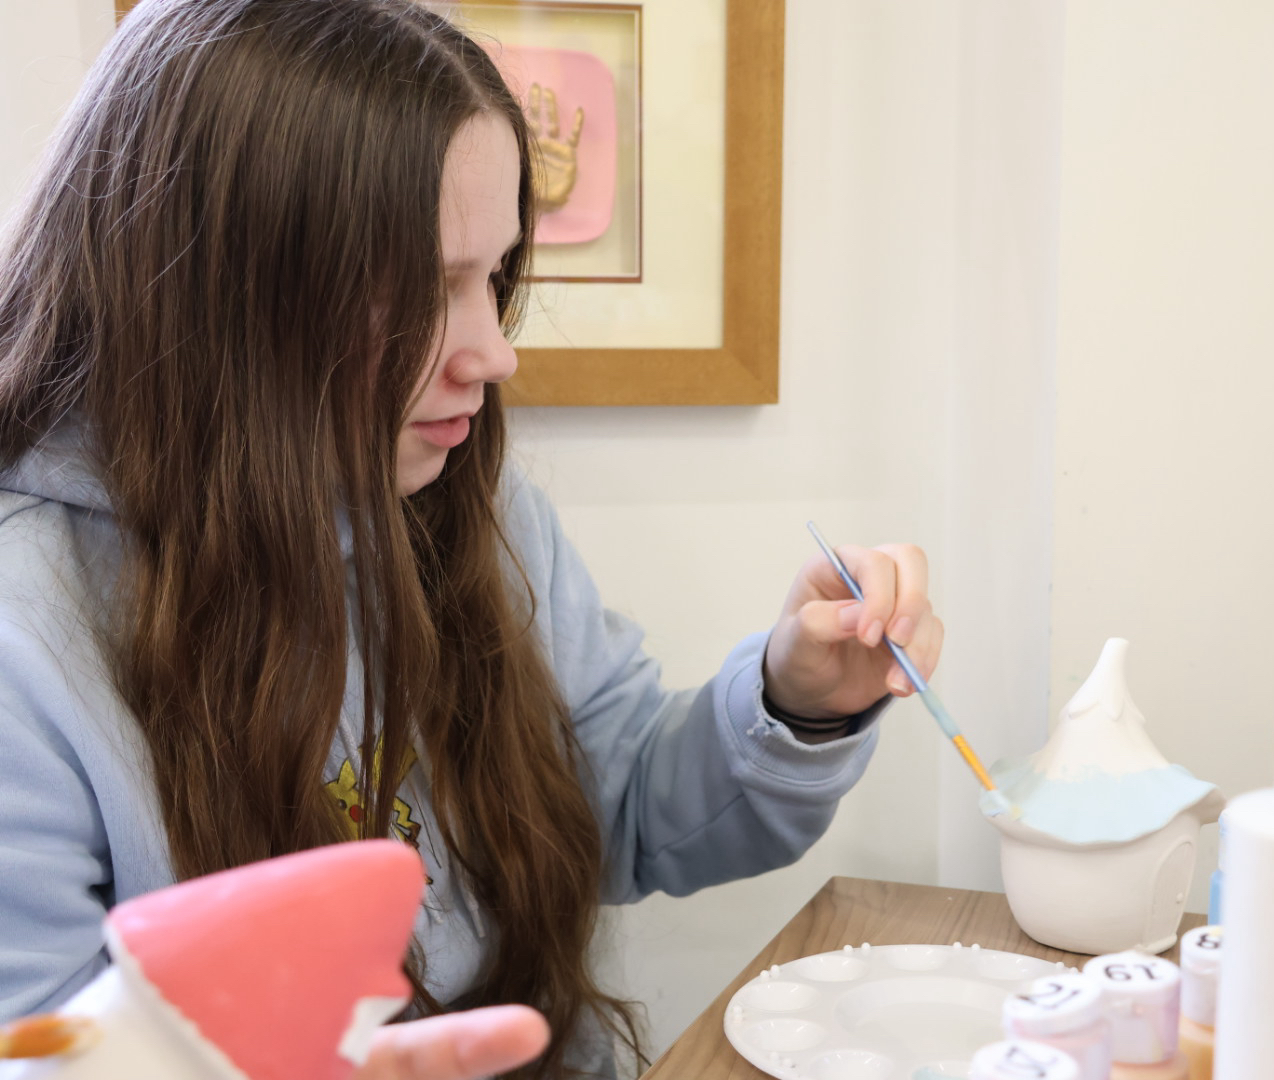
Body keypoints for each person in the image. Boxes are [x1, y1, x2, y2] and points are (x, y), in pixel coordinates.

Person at [0, 1, 943, 1077]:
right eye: (421, 289)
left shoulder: (458, 500)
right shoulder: (27, 636)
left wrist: (794, 699)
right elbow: (47, 1047)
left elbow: (614, 802)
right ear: (220, 292)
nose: (494, 353)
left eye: (493, 279)